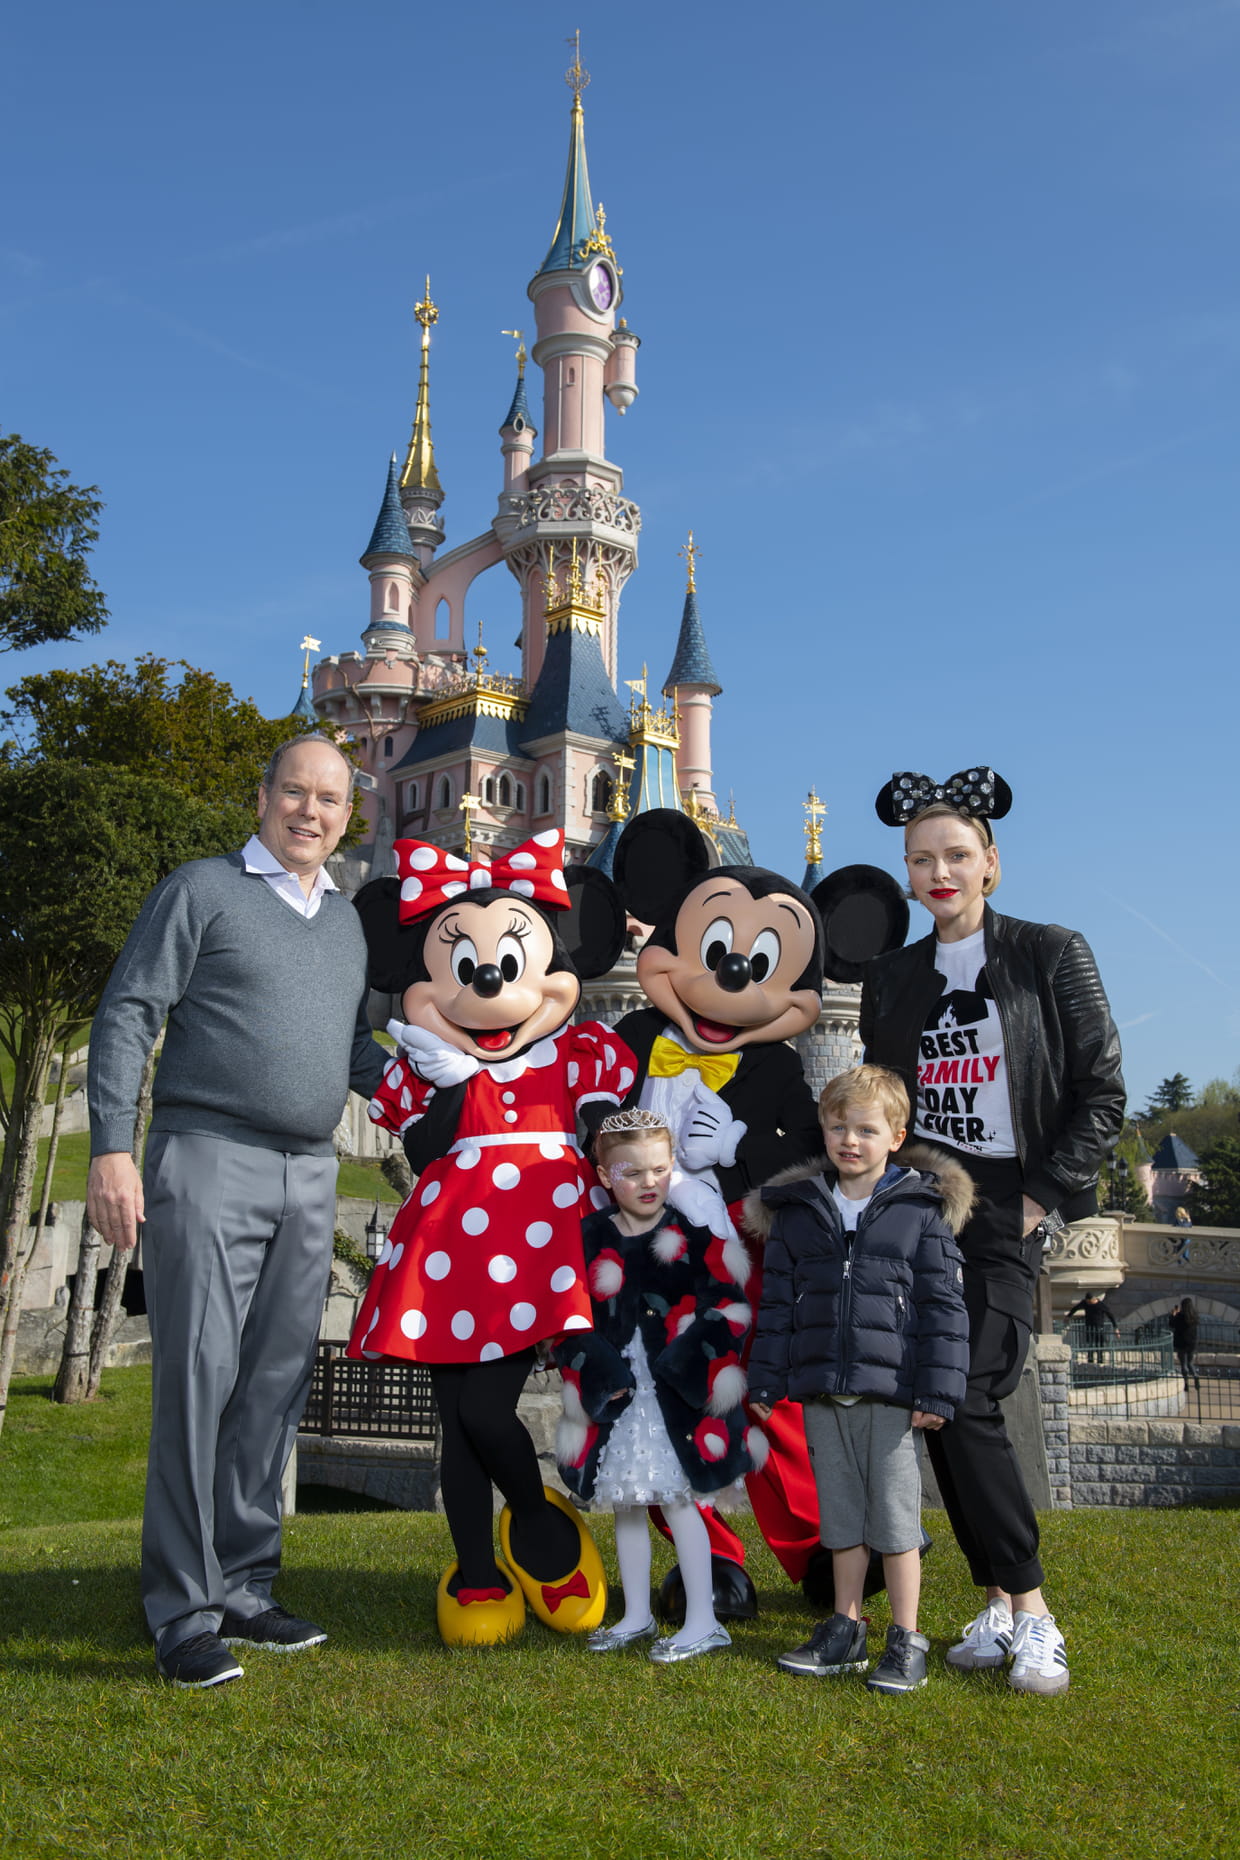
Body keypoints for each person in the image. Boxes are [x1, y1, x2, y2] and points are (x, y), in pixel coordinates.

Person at [87, 734, 389, 1689]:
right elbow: (129, 1011)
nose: (310, 812)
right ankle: (182, 1612)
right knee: (199, 1380)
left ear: (347, 818)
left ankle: (246, 1585)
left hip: (311, 1168)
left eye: (329, 801)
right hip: (209, 1153)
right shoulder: (201, 891)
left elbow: (353, 1051)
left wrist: (450, 1106)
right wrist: (111, 1147)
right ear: (262, 798)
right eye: (294, 793)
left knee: (274, 1384)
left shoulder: (344, 923)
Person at [860, 769, 1124, 1696]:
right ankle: (1000, 1605)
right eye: (921, 860)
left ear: (991, 864)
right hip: (924, 1204)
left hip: (1011, 1204)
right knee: (934, 1400)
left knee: (969, 1390)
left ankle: (1036, 1611)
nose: (939, 873)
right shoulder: (893, 977)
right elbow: (885, 1101)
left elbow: (1101, 1090)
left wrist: (1040, 1199)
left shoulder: (1050, 954)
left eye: (956, 856)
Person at [344, 830, 632, 1646]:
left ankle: (537, 1520)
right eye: (463, 967)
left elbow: (603, 1123)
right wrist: (448, 1075)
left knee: (484, 1407)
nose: (488, 983)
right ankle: (475, 1569)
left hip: (541, 1247)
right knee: (456, 1418)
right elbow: (422, 1147)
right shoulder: (425, 1068)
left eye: (508, 962)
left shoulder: (577, 1050)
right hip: (450, 1251)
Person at [747, 1066, 970, 1694]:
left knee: (895, 1522)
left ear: (896, 1137)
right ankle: (845, 1627)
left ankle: (906, 1637)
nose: (851, 1140)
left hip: (892, 1393)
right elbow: (777, 1306)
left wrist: (938, 1391)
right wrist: (764, 1383)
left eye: (867, 1130)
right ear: (823, 1129)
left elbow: (945, 1309)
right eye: (839, 1127)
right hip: (822, 1388)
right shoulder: (798, 1212)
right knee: (841, 1519)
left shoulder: (920, 1209)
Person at [554, 1109, 760, 1664]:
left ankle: (703, 1622)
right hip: (619, 1398)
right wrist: (597, 1370)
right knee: (627, 1501)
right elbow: (568, 1318)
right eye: (632, 1172)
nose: (649, 1182)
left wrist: (685, 1362)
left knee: (678, 1502)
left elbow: (728, 1307)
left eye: (659, 1170)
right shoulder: (588, 1238)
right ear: (605, 1176)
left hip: (675, 1397)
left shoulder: (692, 1236)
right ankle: (636, 1614)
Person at [1065, 1291, 1120, 1363]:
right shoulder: (1085, 1303)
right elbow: (1075, 1308)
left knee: (1099, 1344)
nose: (1088, 1303)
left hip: (1099, 1327)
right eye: (1087, 1301)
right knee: (1090, 1344)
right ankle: (1090, 1360)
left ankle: (1100, 1360)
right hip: (1089, 1327)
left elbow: (1110, 1315)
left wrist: (1116, 1328)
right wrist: (1068, 1316)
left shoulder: (1100, 1305)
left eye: (1089, 1301)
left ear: (1093, 1299)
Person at [1171, 1298, 1199, 1389]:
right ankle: (1195, 1375)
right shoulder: (1194, 1316)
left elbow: (1172, 1324)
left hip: (1181, 1343)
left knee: (1183, 1364)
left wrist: (1173, 1315)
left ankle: (1186, 1383)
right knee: (1190, 1363)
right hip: (1192, 1343)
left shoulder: (1180, 1316)